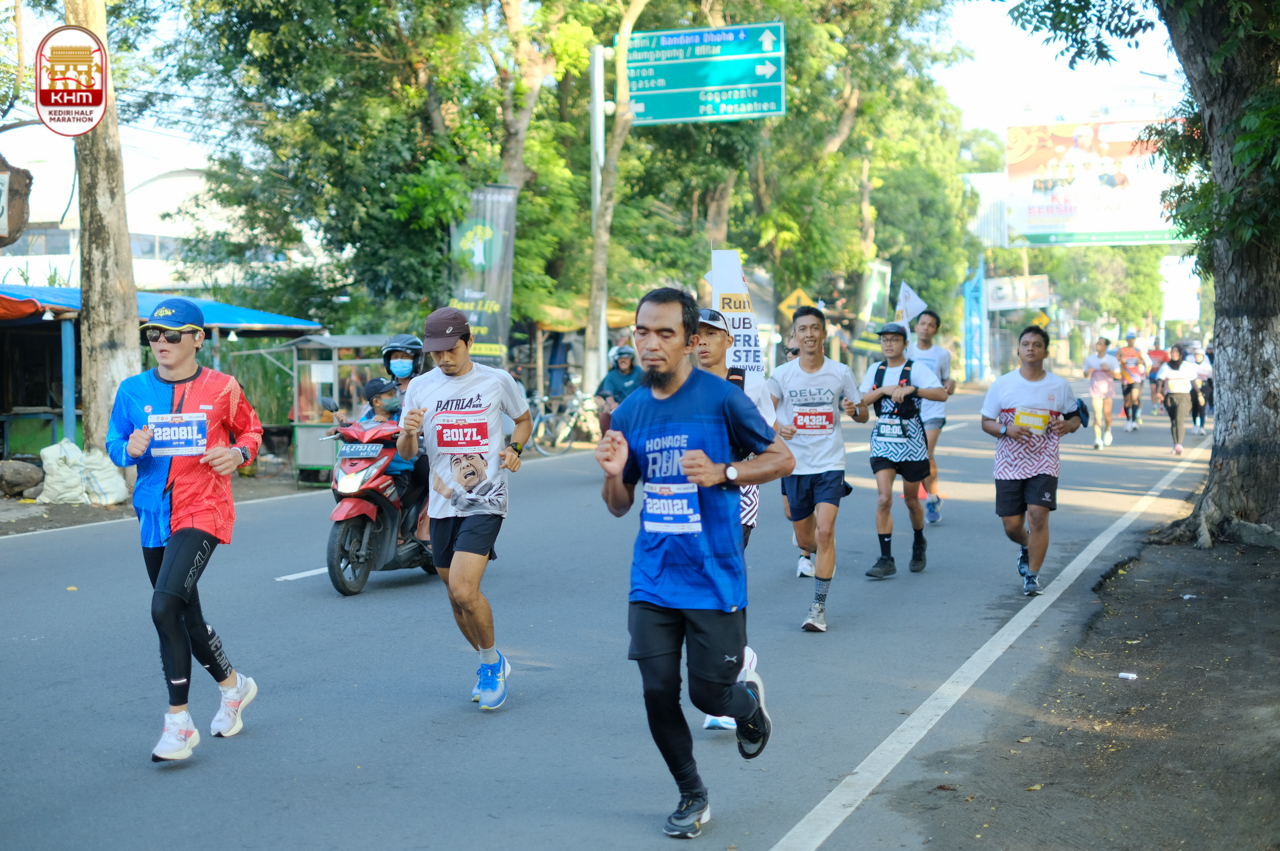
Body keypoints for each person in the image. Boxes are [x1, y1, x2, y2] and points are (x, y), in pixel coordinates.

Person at [595, 287, 793, 839]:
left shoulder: (722, 399)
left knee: (709, 695)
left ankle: (746, 705)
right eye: (643, 332)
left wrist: (725, 472)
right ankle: (691, 792)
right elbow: (618, 505)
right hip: (653, 577)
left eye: (665, 333)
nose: (651, 343)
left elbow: (781, 457)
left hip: (714, 577)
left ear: (688, 342)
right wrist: (613, 475)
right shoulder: (629, 412)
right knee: (657, 690)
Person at [106, 298, 263, 762]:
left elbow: (251, 431)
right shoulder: (132, 390)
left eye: (172, 335)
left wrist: (238, 454)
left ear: (197, 339)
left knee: (163, 607)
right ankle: (234, 687)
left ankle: (179, 723)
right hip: (153, 513)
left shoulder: (222, 387)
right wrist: (130, 449)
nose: (161, 342)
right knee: (183, 615)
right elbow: (115, 442)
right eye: (154, 334)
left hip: (204, 508)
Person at [398, 307, 533, 710]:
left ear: (469, 342)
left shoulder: (497, 380)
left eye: (451, 350)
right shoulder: (419, 387)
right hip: (442, 503)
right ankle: (490, 658)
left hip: (486, 498)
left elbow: (523, 420)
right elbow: (406, 452)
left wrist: (514, 448)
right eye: (436, 352)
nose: (444, 359)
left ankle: (490, 666)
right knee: (455, 597)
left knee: (463, 588)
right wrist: (409, 432)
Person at [693, 307, 775, 733]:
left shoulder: (748, 384)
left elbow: (769, 447)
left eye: (712, 334)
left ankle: (726, 686)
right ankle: (740, 658)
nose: (703, 341)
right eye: (696, 334)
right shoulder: (678, 384)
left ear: (728, 341)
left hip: (735, 499)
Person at [767, 306, 861, 632]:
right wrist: (779, 427)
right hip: (796, 466)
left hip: (830, 464)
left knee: (825, 532)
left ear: (823, 334)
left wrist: (853, 409)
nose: (809, 334)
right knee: (806, 539)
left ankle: (818, 608)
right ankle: (812, 549)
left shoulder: (840, 372)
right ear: (794, 335)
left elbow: (861, 412)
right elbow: (762, 414)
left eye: (814, 328)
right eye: (802, 329)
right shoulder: (782, 375)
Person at [980, 326, 1081, 597]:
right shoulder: (1002, 384)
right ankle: (1026, 545)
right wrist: (1006, 429)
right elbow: (986, 422)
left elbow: (1075, 417)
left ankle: (1032, 576)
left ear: (1045, 352)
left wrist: (1067, 426)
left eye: (1037, 344)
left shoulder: (1059, 386)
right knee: (1012, 525)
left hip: (1044, 460)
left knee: (1038, 515)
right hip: (1009, 463)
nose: (1031, 348)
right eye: (1026, 344)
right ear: (1018, 350)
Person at [859, 323, 947, 578]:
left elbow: (941, 394)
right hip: (883, 441)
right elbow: (859, 401)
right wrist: (883, 391)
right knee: (884, 499)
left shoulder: (915, 369)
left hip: (911, 442)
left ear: (905, 344)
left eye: (894, 340)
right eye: (884, 340)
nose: (888, 344)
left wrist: (913, 389)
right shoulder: (876, 370)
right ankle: (886, 559)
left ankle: (919, 541)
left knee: (911, 500)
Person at [905, 310, 957, 523]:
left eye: (931, 325)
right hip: (909, 410)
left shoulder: (942, 354)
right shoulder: (906, 350)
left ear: (936, 330)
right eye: (923, 323)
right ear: (916, 327)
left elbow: (946, 380)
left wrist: (951, 384)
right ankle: (932, 496)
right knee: (914, 456)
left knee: (925, 453)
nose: (926, 328)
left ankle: (930, 500)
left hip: (933, 409)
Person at [1157, 344, 1200, 455]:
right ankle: (1175, 444)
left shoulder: (1187, 366)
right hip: (1170, 397)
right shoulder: (1165, 366)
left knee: (1179, 419)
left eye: (1177, 352)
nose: (1174, 354)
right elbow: (1160, 381)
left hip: (1184, 396)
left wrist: (1199, 394)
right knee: (1174, 421)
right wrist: (1158, 393)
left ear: (1181, 353)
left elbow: (1193, 382)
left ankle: (1179, 444)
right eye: (1173, 352)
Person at [1082, 338, 1122, 449]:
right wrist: (1088, 372)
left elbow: (1119, 376)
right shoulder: (1090, 359)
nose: (1097, 345)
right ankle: (1098, 439)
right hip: (1096, 390)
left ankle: (1108, 430)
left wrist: (1108, 369)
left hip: (1108, 390)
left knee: (1107, 415)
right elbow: (1084, 374)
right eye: (1097, 343)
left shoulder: (1111, 360)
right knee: (1097, 414)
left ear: (1105, 346)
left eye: (1100, 344)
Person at [595, 345, 640, 433]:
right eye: (620, 358)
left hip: (638, 407)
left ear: (631, 360)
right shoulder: (611, 376)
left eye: (626, 358)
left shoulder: (638, 371)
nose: (623, 360)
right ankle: (609, 439)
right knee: (605, 418)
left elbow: (647, 387)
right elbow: (608, 395)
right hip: (620, 408)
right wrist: (612, 404)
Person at [1117, 331, 1150, 431]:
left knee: (1135, 398)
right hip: (1125, 378)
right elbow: (1115, 361)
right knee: (1127, 401)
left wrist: (1140, 361)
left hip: (1136, 377)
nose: (1131, 340)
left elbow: (1144, 361)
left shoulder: (1137, 350)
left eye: (1132, 338)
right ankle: (1128, 420)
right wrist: (1120, 360)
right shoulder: (1122, 350)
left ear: (1134, 340)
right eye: (1129, 338)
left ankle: (1134, 421)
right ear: (1127, 339)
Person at [1191, 345, 1213, 433]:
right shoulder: (1191, 366)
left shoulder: (1207, 366)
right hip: (1194, 388)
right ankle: (1195, 425)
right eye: (1196, 355)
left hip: (1204, 387)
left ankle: (1202, 427)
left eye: (1200, 355)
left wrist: (1211, 389)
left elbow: (1210, 379)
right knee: (1195, 407)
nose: (1198, 357)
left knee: (1202, 406)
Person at [1147, 343, 1170, 416]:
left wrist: (1163, 362)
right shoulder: (1150, 353)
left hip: (1161, 374)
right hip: (1152, 374)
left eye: (1158, 343)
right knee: (1153, 389)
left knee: (1162, 391)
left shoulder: (1163, 353)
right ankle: (1154, 406)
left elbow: (1168, 363)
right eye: (1156, 343)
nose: (1157, 345)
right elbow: (1146, 362)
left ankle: (1162, 405)